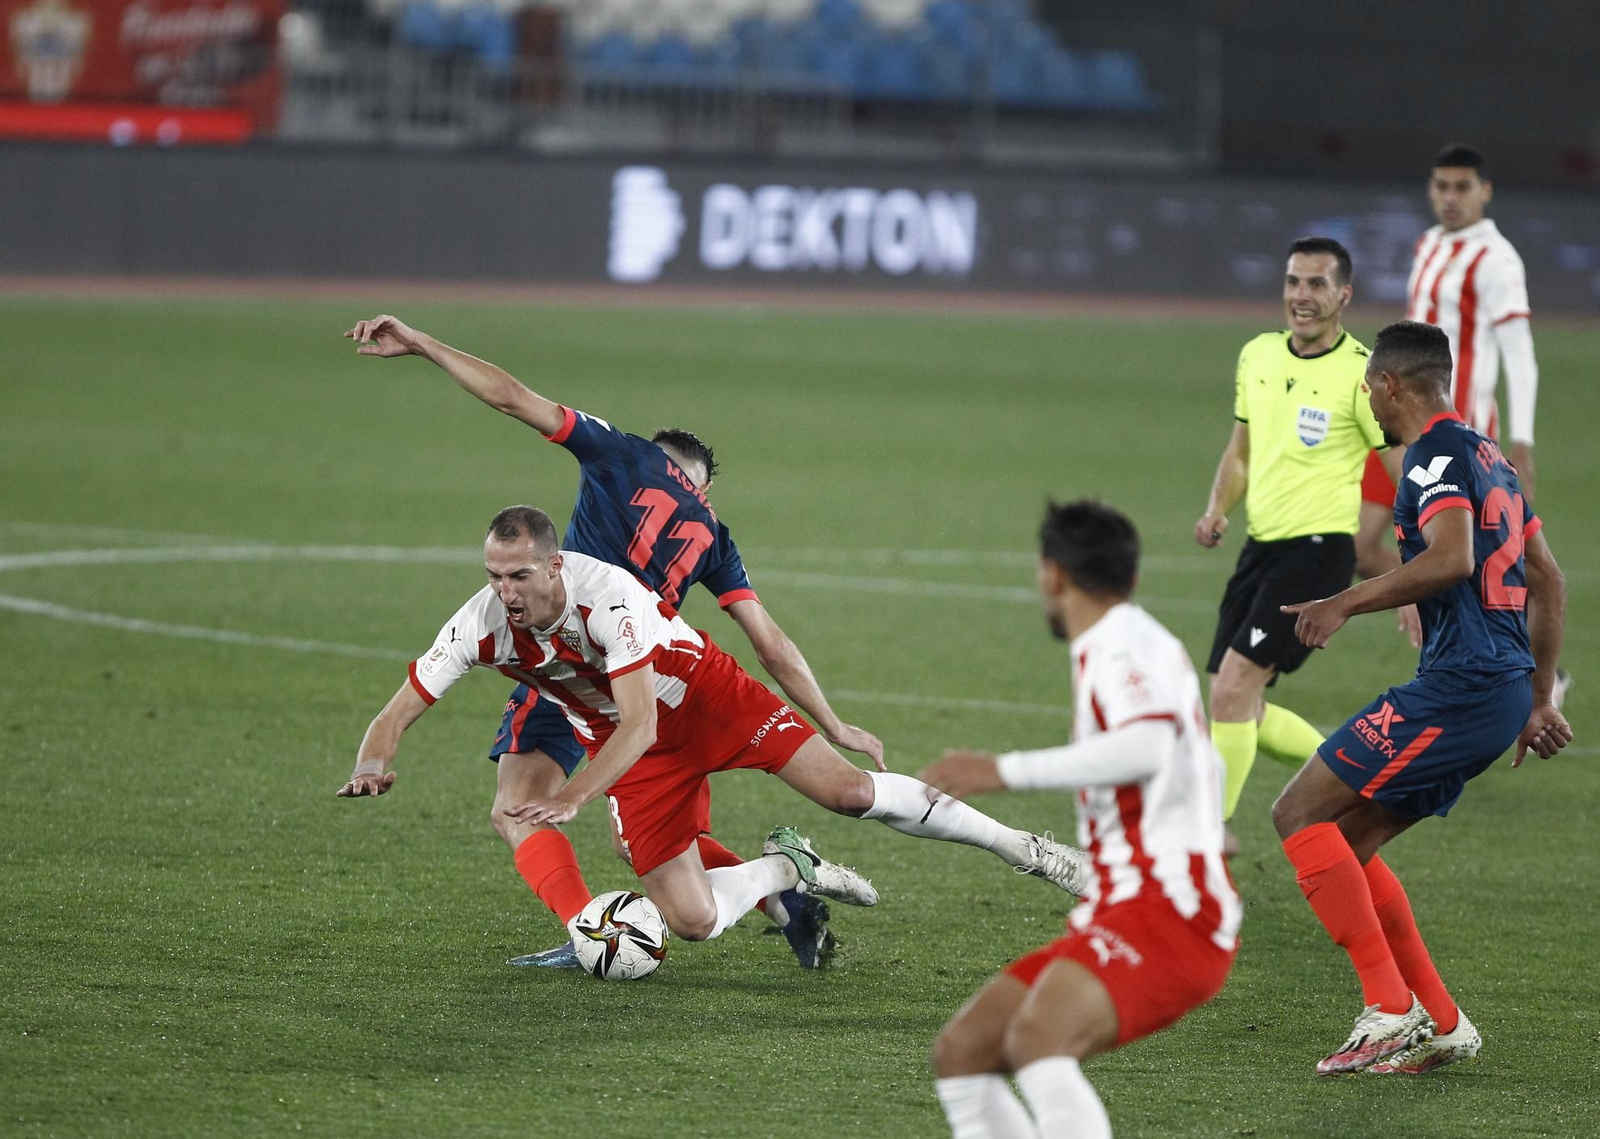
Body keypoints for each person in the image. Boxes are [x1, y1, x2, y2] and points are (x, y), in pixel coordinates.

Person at [337, 312, 903, 970]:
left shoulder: (620, 458)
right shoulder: (713, 533)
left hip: (572, 669)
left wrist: (422, 344)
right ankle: (772, 900)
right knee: (633, 836)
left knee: (536, 815)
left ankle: (594, 930)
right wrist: (830, 720)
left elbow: (512, 396)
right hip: (647, 682)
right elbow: (770, 642)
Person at [341, 506, 1091, 958]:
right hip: (631, 750)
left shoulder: (611, 601)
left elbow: (641, 719)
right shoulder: (480, 623)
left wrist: (573, 794)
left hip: (704, 700)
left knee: (851, 790)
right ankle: (784, 869)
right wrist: (374, 759)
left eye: (519, 576)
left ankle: (1026, 849)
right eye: (495, 576)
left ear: (555, 564)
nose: (505, 593)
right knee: (692, 921)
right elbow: (399, 707)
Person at [1274, 320, 1571, 1075]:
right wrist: (1537, 699)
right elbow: (1548, 577)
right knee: (1346, 840)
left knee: (1298, 812)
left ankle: (1389, 1008)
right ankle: (1439, 1019)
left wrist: (1344, 600)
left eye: (1370, 384)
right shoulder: (1488, 455)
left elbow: (1450, 557)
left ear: (1392, 385)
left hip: (1461, 688)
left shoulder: (1433, 453)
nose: (1367, 397)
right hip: (1493, 690)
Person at [919, 500, 1240, 1139]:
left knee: (1041, 1039)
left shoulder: (1121, 645)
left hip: (1172, 912)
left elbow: (1148, 745)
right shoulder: (1132, 639)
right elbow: (1189, 755)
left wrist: (1002, 770)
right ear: (1132, 577)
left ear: (1053, 575)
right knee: (964, 1053)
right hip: (1121, 904)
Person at [1194, 237, 1411, 828]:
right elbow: (1240, 448)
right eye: (1293, 282)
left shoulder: (1361, 376)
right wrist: (1218, 508)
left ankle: (1204, 842)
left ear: (1343, 295)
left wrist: (1415, 576)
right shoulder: (1258, 355)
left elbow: (1405, 474)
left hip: (1319, 555)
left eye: (1316, 285)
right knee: (1234, 703)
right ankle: (1351, 783)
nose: (1301, 296)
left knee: (1232, 692)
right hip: (1259, 548)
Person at [1356, 144, 1568, 704]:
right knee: (1359, 544)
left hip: (1458, 431)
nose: (1450, 197)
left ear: (1484, 191)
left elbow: (1519, 353)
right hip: (1405, 424)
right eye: (1441, 186)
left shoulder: (1497, 260)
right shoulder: (1429, 244)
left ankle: (1516, 663)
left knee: (1473, 555)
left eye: (1461, 187)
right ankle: (1442, 618)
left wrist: (1521, 441)